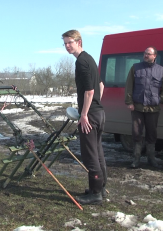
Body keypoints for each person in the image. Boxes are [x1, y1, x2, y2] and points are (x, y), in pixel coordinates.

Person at [62, 30, 107, 205]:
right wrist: (96, 104)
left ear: (79, 42)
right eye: (65, 43)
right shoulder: (90, 58)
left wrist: (84, 114)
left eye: (70, 42)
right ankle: (100, 188)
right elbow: (101, 85)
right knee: (98, 153)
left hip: (91, 116)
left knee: (90, 156)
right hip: (99, 113)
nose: (67, 46)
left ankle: (95, 193)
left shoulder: (82, 62)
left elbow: (90, 91)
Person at [125, 46, 163, 169]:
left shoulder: (160, 70)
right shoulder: (135, 68)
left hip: (153, 108)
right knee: (136, 133)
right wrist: (129, 102)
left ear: (154, 56)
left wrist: (160, 99)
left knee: (152, 134)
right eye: (145, 53)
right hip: (137, 107)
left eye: (149, 54)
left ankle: (151, 159)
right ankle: (136, 159)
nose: (146, 55)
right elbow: (129, 86)